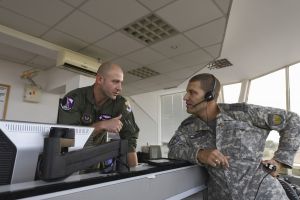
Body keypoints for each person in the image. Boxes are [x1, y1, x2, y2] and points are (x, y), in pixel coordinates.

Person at [168, 73, 300, 200]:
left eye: (192, 92)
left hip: (265, 195)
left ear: (210, 95)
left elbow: (292, 121)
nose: (185, 97)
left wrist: (280, 161)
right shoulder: (187, 127)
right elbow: (173, 149)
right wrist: (199, 154)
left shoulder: (243, 113)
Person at [57, 61, 139, 167]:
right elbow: (67, 139)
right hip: (70, 160)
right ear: (100, 79)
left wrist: (134, 173)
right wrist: (102, 125)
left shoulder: (120, 104)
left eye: (121, 82)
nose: (120, 88)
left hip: (95, 161)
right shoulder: (74, 98)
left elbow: (130, 140)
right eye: (115, 81)